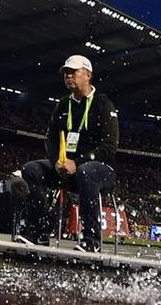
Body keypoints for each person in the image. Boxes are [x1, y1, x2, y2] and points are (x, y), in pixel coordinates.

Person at [16, 55, 119, 251]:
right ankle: (38, 232)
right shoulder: (63, 105)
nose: (68, 76)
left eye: (73, 72)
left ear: (88, 75)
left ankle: (92, 240)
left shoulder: (103, 104)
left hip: (101, 170)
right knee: (31, 169)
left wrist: (77, 163)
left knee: (86, 172)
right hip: (65, 167)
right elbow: (51, 138)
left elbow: (109, 146)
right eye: (66, 73)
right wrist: (57, 162)